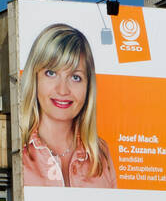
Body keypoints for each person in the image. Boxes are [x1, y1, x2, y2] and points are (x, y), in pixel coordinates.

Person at [19, 23, 116, 189]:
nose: (62, 90)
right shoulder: (16, 150)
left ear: (88, 85)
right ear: (34, 78)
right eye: (51, 73)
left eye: (75, 77)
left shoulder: (100, 153)